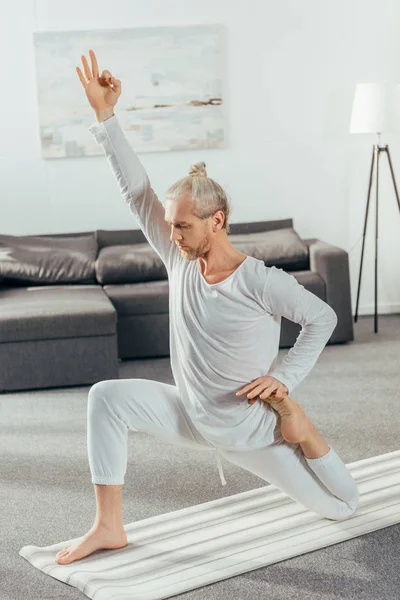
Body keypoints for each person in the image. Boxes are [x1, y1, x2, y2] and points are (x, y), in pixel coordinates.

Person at [55, 50, 359, 565]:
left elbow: (321, 317)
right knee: (106, 397)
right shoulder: (180, 260)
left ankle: (301, 426)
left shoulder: (259, 280)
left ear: (216, 221)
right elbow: (136, 192)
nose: (171, 235)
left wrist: (285, 379)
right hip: (192, 413)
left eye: (183, 226)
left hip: (250, 431)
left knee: (342, 507)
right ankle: (109, 526)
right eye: (170, 225)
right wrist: (105, 117)